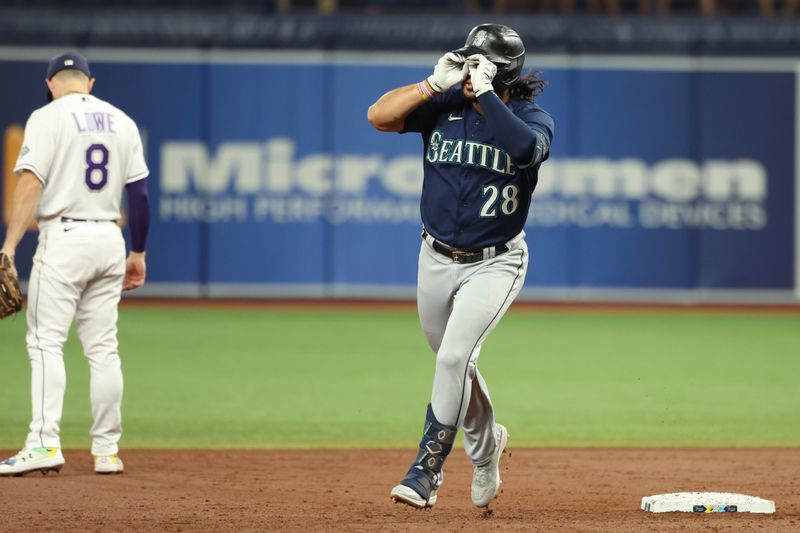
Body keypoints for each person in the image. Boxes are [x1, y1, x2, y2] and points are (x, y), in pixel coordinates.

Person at [367, 24, 554, 509]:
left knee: (453, 359)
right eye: (469, 61)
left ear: (503, 74)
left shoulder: (532, 116)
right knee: (456, 365)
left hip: (496, 263)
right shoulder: (443, 106)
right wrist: (430, 85)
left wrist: (490, 94)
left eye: (482, 64)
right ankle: (487, 448)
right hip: (435, 257)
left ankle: (425, 471)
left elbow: (522, 149)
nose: (471, 70)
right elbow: (378, 117)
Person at [0, 51, 150, 476]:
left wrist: (9, 246)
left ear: (50, 83)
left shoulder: (46, 117)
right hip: (109, 238)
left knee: (46, 342)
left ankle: (44, 443)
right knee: (103, 349)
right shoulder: (121, 120)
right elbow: (138, 196)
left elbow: (30, 182)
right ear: (90, 82)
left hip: (64, 239)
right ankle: (107, 452)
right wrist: (136, 252)